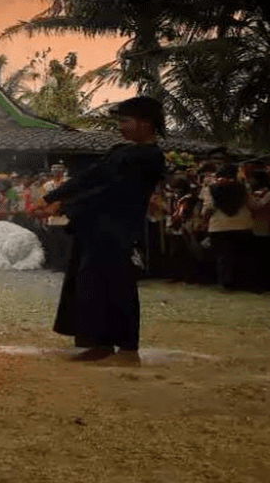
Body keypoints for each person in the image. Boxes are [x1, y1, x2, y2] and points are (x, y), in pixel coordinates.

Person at [30, 96, 167, 364]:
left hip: (119, 231)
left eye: (126, 121)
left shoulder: (150, 157)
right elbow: (89, 178)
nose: (120, 127)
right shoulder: (120, 151)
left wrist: (64, 207)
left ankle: (128, 350)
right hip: (93, 229)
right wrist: (50, 198)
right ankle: (100, 343)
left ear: (146, 123)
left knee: (118, 287)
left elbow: (112, 192)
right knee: (90, 285)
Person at [201, 164, 254, 291]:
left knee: (223, 257)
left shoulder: (211, 188)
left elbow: (208, 208)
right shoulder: (243, 187)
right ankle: (241, 282)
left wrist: (204, 219)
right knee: (241, 255)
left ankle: (225, 283)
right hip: (243, 224)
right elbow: (251, 203)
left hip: (219, 226)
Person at [40, 164, 72, 272]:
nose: (56, 172)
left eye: (59, 170)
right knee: (54, 243)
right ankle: (56, 265)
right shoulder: (47, 185)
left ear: (63, 171)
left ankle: (67, 265)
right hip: (52, 217)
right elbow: (43, 200)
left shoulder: (68, 183)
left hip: (66, 217)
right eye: (54, 170)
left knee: (67, 243)